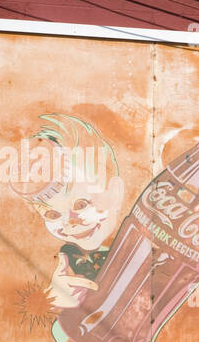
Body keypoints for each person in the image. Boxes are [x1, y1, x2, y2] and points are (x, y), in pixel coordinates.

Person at [9, 114, 125, 309]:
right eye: (52, 214)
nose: (69, 223)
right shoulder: (65, 261)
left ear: (115, 192)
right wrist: (55, 301)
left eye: (81, 204)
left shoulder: (141, 245)